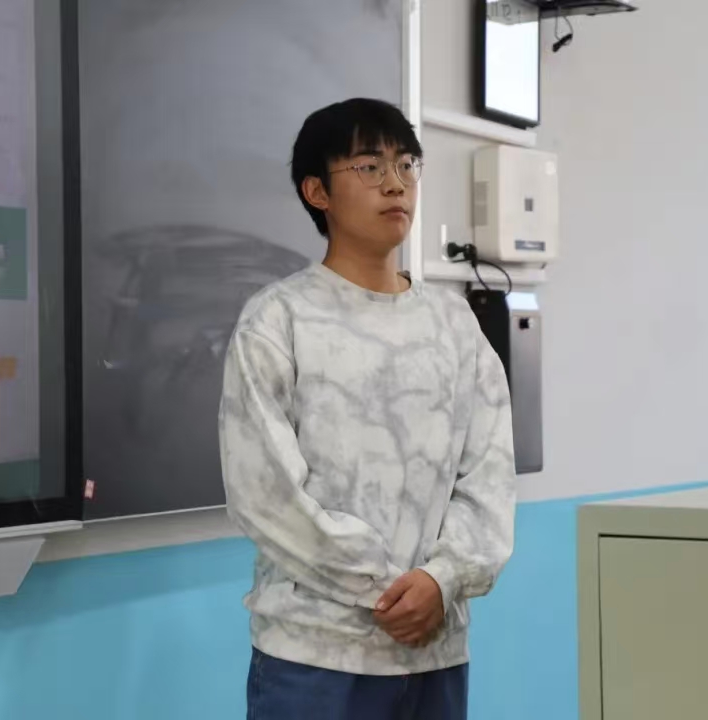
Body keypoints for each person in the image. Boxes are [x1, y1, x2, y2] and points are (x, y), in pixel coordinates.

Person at [218, 98, 517, 720]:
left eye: (406, 164)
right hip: (315, 655)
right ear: (317, 191)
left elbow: (488, 474)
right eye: (368, 166)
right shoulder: (278, 319)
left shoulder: (454, 323)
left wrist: (441, 579)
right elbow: (264, 492)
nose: (395, 183)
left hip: (435, 650)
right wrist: (384, 590)